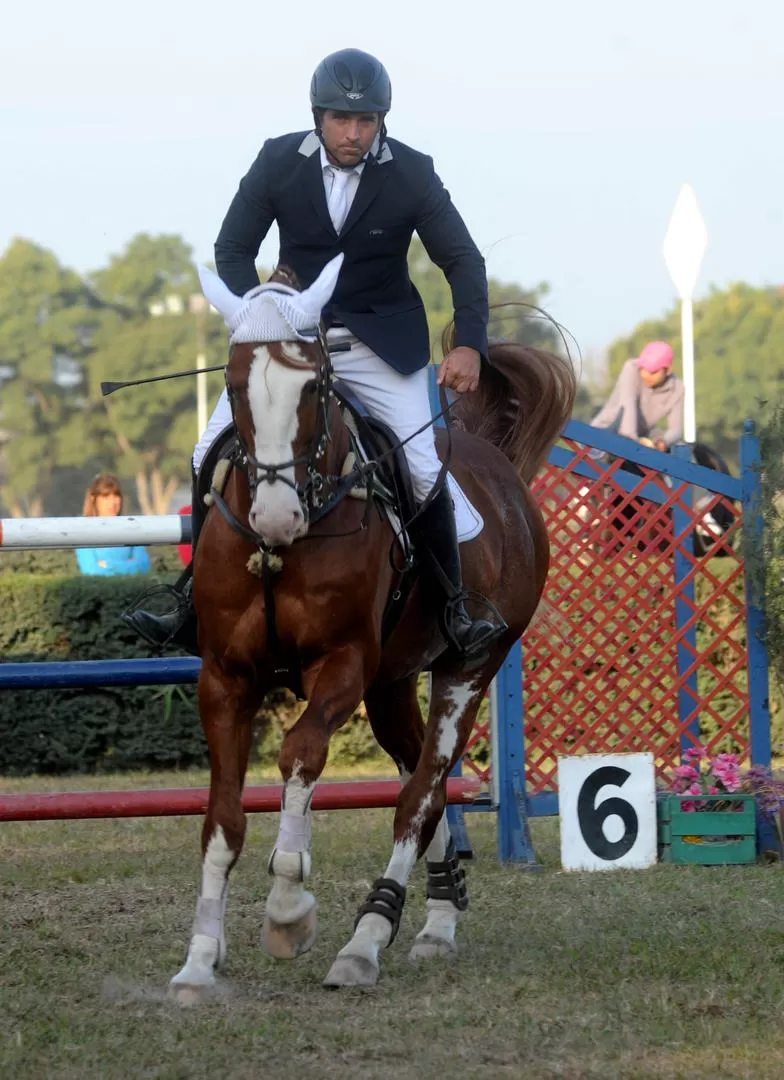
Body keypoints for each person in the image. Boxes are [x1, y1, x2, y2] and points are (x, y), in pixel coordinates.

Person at [124, 47, 502, 661]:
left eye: (366, 121)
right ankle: (190, 596)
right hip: (291, 345)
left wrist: (470, 344)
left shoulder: (411, 173)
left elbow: (462, 259)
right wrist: (261, 316)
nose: (353, 133)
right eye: (341, 120)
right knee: (205, 453)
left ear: (381, 121)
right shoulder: (278, 160)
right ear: (317, 116)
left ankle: (454, 608)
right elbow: (232, 248)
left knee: (422, 467)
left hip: (379, 349)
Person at [590, 341, 685, 451]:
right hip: (602, 435)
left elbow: (676, 429)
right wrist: (632, 443)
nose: (646, 375)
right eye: (643, 369)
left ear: (668, 370)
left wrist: (663, 442)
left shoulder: (678, 389)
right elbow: (628, 408)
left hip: (635, 442)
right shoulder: (631, 368)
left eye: (653, 372)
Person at [75, 473, 151, 577]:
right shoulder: (84, 531)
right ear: (93, 499)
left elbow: (144, 566)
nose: (113, 502)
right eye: (106, 496)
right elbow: (91, 571)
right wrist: (129, 564)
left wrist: (109, 565)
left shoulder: (132, 529)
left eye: (116, 495)